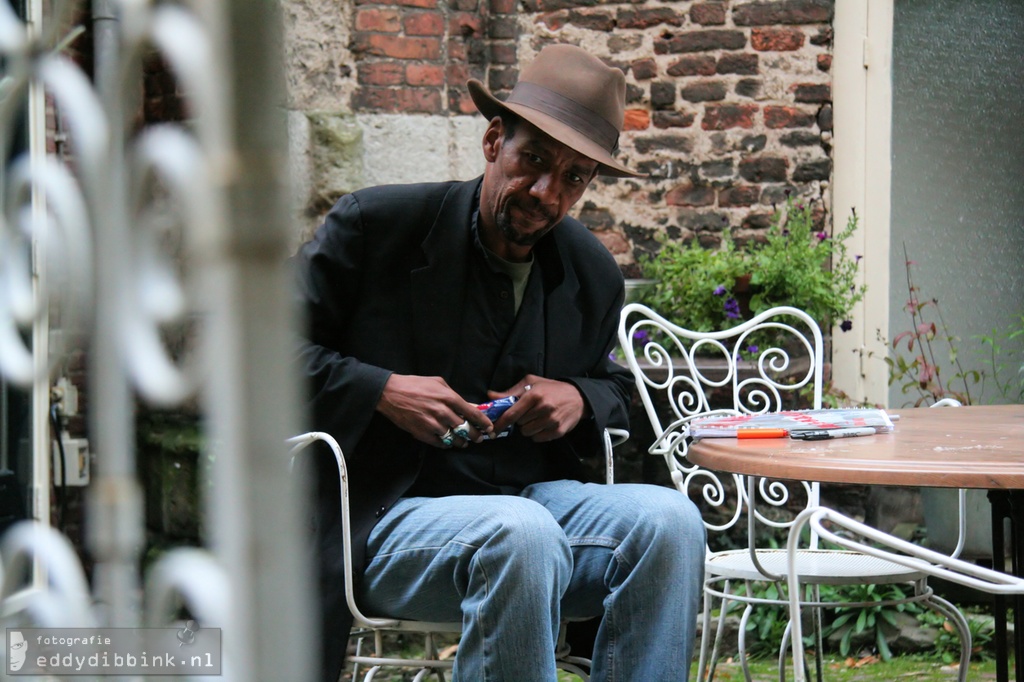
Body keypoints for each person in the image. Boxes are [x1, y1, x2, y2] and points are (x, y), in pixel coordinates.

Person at [293, 43, 705, 682]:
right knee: (522, 532)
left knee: (671, 521)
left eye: (573, 177)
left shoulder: (591, 272)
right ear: (493, 142)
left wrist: (577, 395)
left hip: (527, 501)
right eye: (533, 161)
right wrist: (381, 389)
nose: (546, 193)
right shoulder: (376, 227)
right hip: (380, 516)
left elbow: (616, 385)